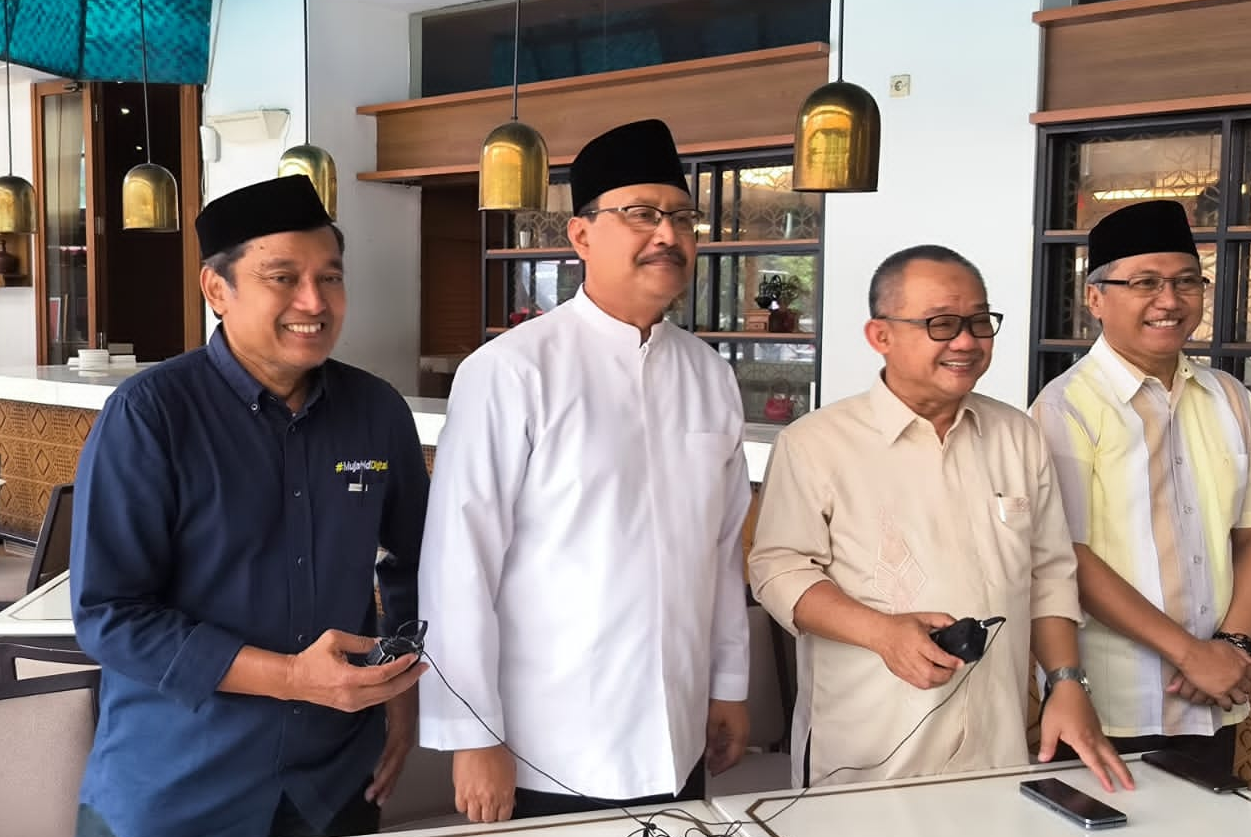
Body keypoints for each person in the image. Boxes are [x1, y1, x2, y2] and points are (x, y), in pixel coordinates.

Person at [68, 175, 430, 837]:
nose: (314, 301)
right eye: (283, 277)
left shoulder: (376, 412)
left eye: (330, 277)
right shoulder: (150, 416)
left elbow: (414, 562)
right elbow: (110, 615)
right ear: (217, 289)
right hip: (179, 785)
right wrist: (292, 676)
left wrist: (404, 700)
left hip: (333, 784)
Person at [418, 119, 751, 822]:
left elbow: (721, 555)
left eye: (682, 217)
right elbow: (459, 563)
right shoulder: (510, 371)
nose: (668, 234)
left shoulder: (710, 375)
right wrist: (473, 733)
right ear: (581, 236)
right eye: (642, 214)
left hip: (678, 731)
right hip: (552, 743)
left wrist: (727, 684)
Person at [748, 245, 1134, 791]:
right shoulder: (817, 443)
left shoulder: (1017, 436)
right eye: (941, 324)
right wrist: (882, 634)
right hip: (867, 751)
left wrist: (1066, 680)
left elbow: (1049, 572)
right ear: (881, 336)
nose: (967, 342)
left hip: (996, 745)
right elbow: (777, 570)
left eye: (979, 322)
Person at [1030, 200, 1251, 773]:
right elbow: (1065, 557)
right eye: (1145, 283)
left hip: (1214, 694)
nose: (1169, 301)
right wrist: (1191, 654)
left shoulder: (1231, 399)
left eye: (1186, 281)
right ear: (1096, 298)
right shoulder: (1066, 408)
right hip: (1111, 702)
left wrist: (1232, 645)